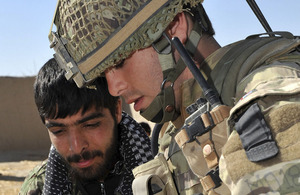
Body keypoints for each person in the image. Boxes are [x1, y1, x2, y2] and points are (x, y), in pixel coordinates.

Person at [49, 0, 300, 194]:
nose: (114, 88)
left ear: (173, 27)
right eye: (104, 74)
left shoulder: (269, 93)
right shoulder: (178, 126)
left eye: (119, 61)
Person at [19, 58, 153, 194]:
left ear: (117, 110)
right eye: (58, 131)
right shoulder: (38, 186)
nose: (76, 147)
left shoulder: (162, 173)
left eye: (90, 125)